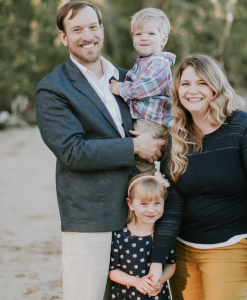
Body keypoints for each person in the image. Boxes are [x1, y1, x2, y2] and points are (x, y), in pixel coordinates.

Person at [35, 2, 165, 300]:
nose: (87, 35)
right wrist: (134, 146)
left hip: (139, 217)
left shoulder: (129, 79)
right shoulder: (53, 88)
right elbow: (72, 151)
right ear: (63, 37)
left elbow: (157, 121)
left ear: (102, 30)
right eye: (76, 29)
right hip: (89, 218)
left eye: (93, 26)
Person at [148, 54, 247, 300]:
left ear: (215, 88)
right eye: (185, 84)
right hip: (184, 249)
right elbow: (173, 206)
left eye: (202, 83)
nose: (192, 90)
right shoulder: (176, 136)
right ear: (177, 90)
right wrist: (158, 260)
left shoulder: (242, 127)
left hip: (231, 245)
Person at [110, 8, 175, 174]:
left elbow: (147, 87)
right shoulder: (143, 62)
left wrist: (121, 88)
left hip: (153, 120)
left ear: (163, 39)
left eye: (151, 34)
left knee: (140, 157)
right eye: (138, 34)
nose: (144, 38)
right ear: (133, 39)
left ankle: (150, 182)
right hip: (146, 119)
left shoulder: (160, 63)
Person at [109, 172, 176, 300]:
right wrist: (136, 282)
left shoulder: (163, 235)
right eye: (144, 204)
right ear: (130, 204)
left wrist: (159, 280)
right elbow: (112, 271)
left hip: (156, 295)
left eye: (157, 203)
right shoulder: (120, 235)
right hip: (126, 295)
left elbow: (171, 265)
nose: (151, 210)